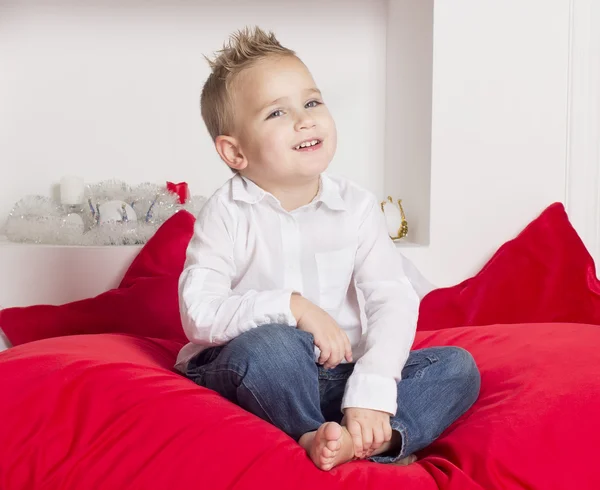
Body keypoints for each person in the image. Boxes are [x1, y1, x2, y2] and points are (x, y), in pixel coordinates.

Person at [175, 26, 480, 471]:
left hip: (338, 376)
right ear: (235, 152)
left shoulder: (355, 207)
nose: (305, 119)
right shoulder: (226, 213)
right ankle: (306, 431)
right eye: (277, 113)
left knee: (458, 368)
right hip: (257, 369)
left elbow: (389, 299)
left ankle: (376, 437)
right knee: (274, 346)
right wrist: (294, 308)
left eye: (312, 102)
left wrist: (371, 391)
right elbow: (198, 313)